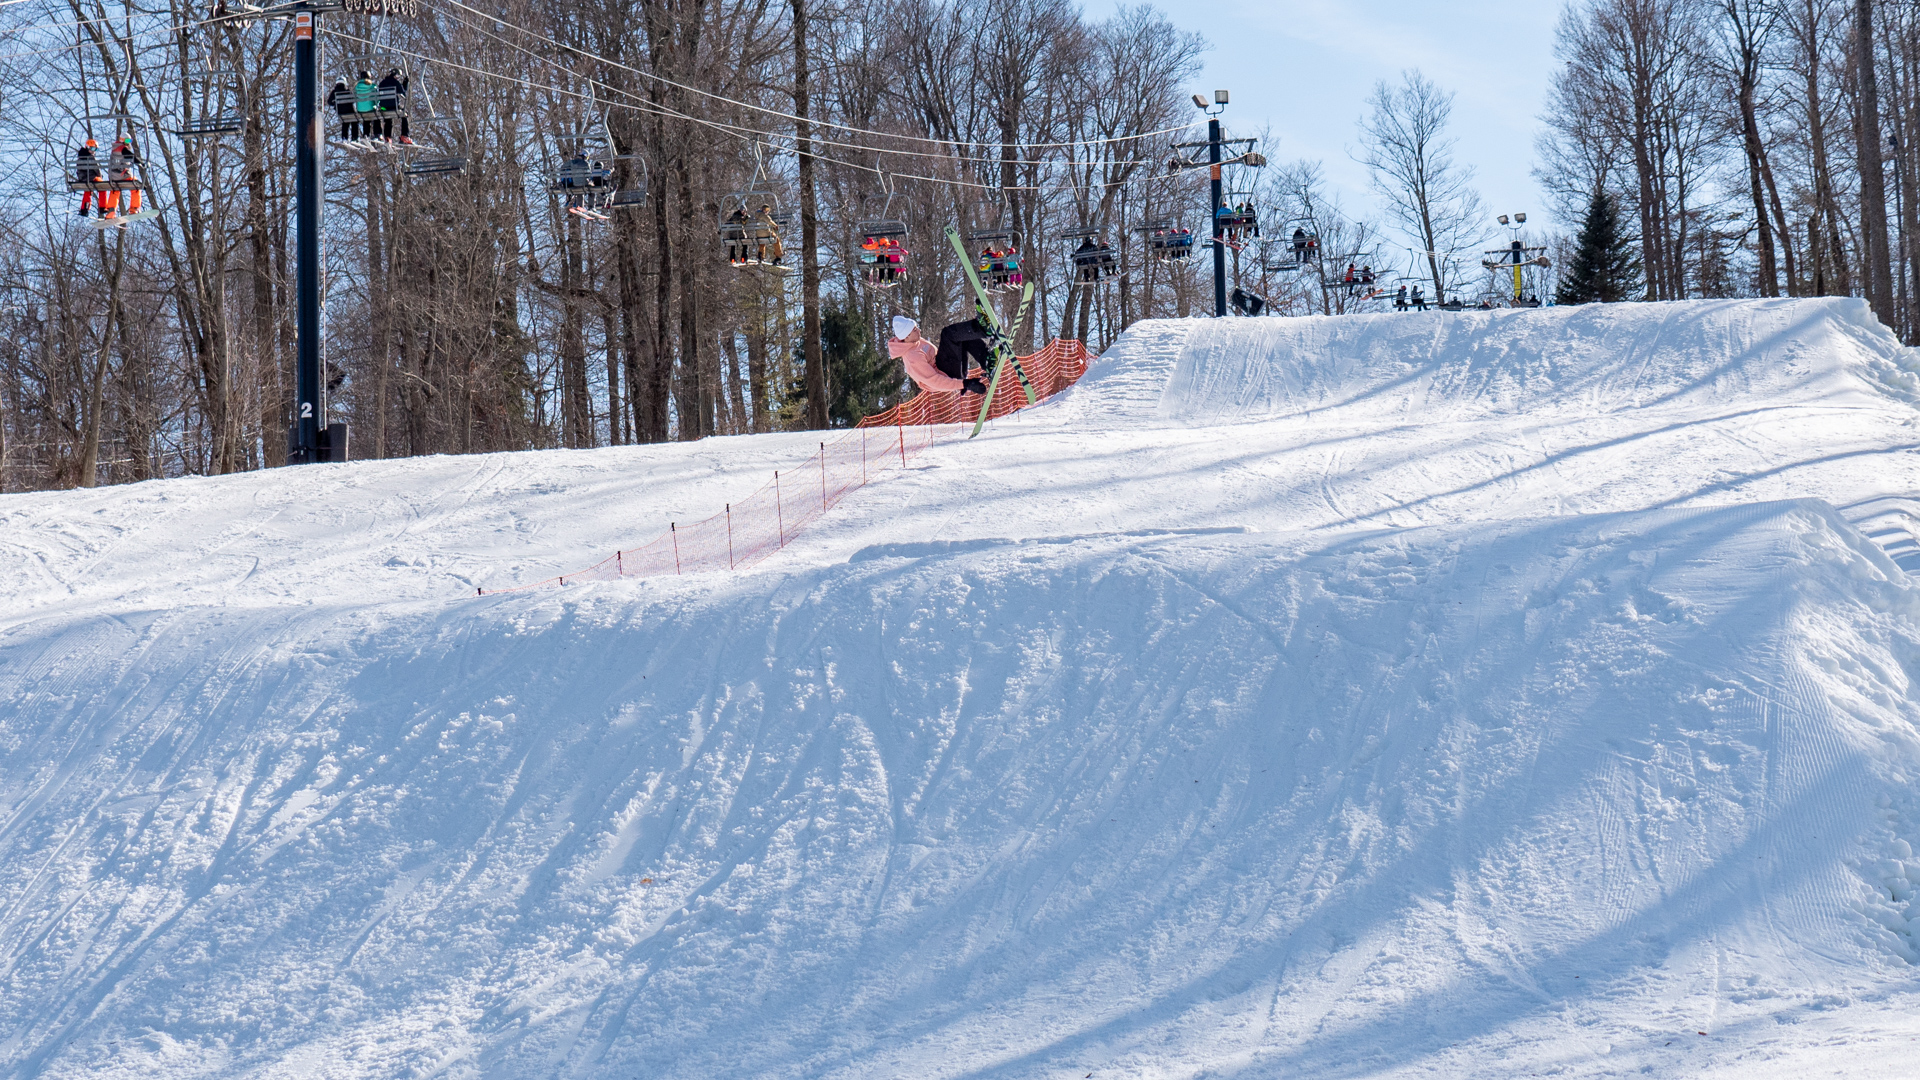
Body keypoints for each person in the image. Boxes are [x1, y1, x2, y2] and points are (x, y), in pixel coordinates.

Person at [888, 314, 984, 396]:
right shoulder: (912, 358)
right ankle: (982, 328)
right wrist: (965, 384)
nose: (919, 330)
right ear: (907, 336)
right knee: (947, 334)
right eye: (915, 329)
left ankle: (987, 359)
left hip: (950, 369)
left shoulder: (916, 342)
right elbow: (934, 381)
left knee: (961, 336)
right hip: (947, 376)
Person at [103, 135, 142, 220]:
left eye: (130, 141)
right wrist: (141, 163)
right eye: (127, 141)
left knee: (115, 190)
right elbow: (131, 156)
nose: (129, 143)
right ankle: (134, 209)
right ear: (123, 140)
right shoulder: (122, 148)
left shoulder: (115, 149)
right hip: (122, 175)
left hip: (114, 177)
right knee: (136, 186)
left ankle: (111, 212)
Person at [377, 68, 413, 146]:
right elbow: (402, 92)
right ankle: (404, 135)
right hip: (393, 106)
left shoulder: (382, 83)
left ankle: (388, 137)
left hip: (383, 107)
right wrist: (405, 84)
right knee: (405, 114)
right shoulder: (395, 82)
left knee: (388, 119)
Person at [73, 139, 102, 218]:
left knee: (88, 192)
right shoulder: (90, 158)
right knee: (102, 187)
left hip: (83, 178)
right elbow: (97, 169)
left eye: (95, 149)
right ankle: (103, 207)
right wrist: (99, 176)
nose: (94, 151)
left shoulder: (81, 156)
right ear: (88, 147)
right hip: (90, 177)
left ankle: (84, 209)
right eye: (92, 149)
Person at [353, 71, 379, 146]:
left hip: (360, 109)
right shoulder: (372, 86)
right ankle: (376, 134)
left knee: (366, 119)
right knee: (376, 117)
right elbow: (377, 97)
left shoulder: (357, 87)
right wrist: (377, 104)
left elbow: (354, 97)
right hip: (370, 108)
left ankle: (366, 134)